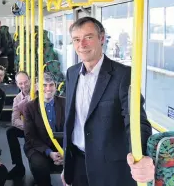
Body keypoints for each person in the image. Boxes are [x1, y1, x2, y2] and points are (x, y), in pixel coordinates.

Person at [61, 17, 154, 186]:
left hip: (110, 169)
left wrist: (141, 155)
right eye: (76, 39)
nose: (81, 44)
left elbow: (135, 120)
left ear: (102, 38)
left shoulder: (123, 75)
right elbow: (72, 120)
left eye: (88, 37)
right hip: (77, 163)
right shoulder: (71, 73)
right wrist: (67, 165)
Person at [24, 72, 65, 186]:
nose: (48, 88)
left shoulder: (65, 103)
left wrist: (64, 151)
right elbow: (30, 136)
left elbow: (70, 130)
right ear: (37, 87)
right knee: (39, 165)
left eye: (51, 85)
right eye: (44, 85)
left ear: (55, 87)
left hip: (61, 145)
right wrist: (50, 152)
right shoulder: (30, 107)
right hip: (38, 146)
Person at [6, 71, 31, 179]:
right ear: (16, 84)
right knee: (11, 131)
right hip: (28, 127)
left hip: (43, 127)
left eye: (26, 82)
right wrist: (27, 127)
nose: (24, 85)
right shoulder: (17, 99)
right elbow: (14, 120)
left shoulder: (40, 91)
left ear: (30, 80)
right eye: (20, 83)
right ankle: (19, 166)